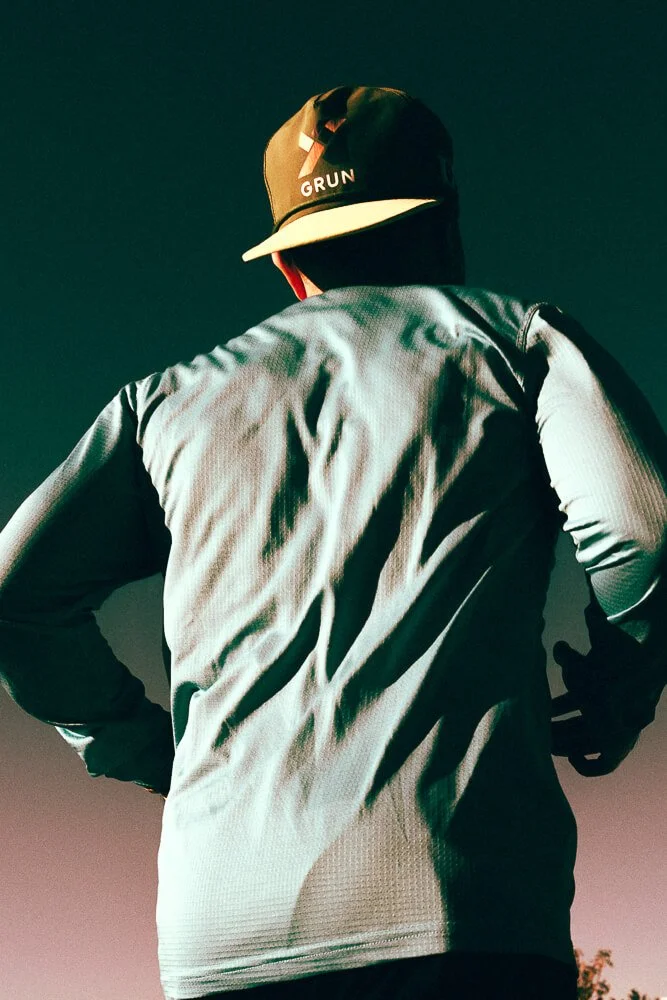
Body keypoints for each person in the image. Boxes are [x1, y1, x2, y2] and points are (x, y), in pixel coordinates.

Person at [0, 85, 664, 1000]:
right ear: (443, 224)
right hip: (464, 917)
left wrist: (136, 743)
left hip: (219, 941)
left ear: (288, 262)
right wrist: (624, 677)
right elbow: (646, 531)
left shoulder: (163, 405)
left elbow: (16, 591)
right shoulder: (515, 343)